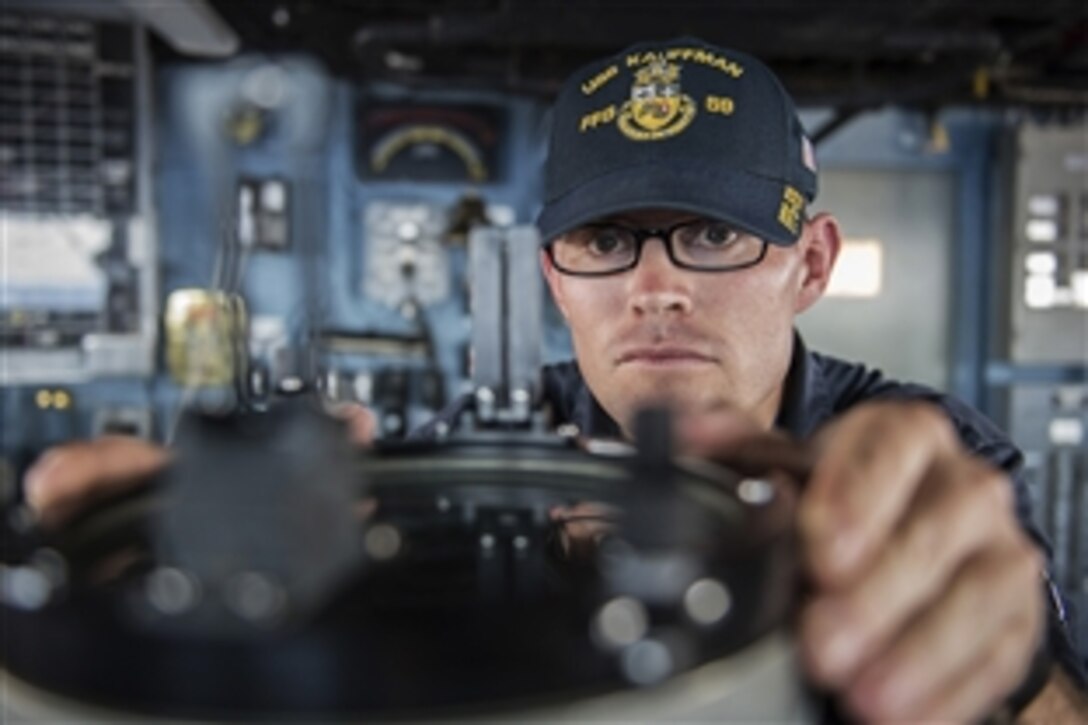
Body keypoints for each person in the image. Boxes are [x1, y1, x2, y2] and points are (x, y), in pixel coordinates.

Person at [23, 37, 1087, 722]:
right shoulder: (469, 460)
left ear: (807, 264)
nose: (655, 287)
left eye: (711, 232)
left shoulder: (930, 455)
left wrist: (1003, 667)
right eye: (603, 241)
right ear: (551, 277)